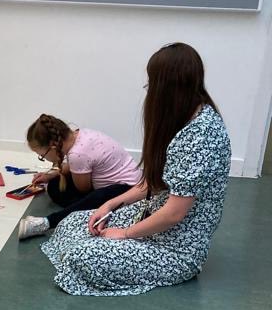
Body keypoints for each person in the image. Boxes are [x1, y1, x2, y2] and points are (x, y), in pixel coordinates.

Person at [40, 43, 231, 296]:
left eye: (151, 83)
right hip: (152, 218)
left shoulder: (201, 135)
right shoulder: (182, 119)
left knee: (82, 256)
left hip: (174, 248)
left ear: (166, 87)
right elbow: (153, 182)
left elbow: (174, 214)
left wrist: (125, 233)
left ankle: (106, 249)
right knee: (74, 222)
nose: (148, 90)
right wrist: (110, 205)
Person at [18, 114, 141, 239]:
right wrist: (50, 176)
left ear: (52, 147)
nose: (44, 159)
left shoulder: (78, 154)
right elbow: (74, 167)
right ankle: (86, 211)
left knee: (91, 198)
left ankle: (48, 222)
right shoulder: (79, 134)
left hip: (126, 189)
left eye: (42, 156)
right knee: (55, 186)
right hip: (131, 180)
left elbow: (83, 188)